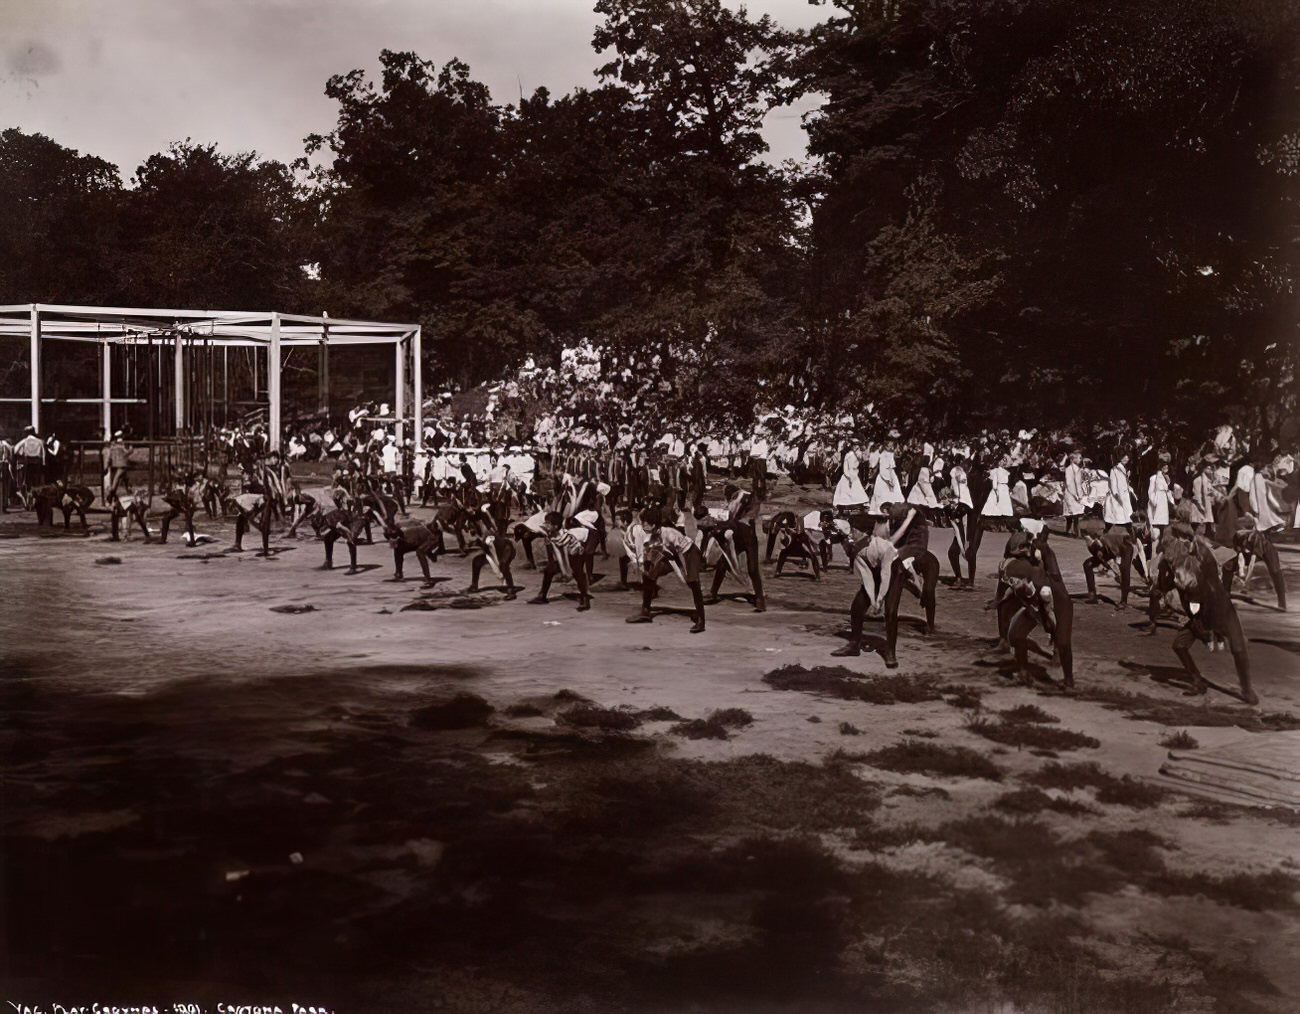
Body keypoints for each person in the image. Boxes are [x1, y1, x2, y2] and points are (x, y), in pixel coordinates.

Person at [626, 507, 707, 633]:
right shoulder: (644, 531)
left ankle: (701, 620)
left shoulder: (669, 533)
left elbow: (679, 556)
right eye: (642, 522)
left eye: (646, 523)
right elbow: (644, 552)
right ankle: (645, 611)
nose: (643, 525)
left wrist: (684, 575)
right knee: (649, 574)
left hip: (687, 553)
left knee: (693, 582)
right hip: (669, 554)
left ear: (654, 525)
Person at [1103, 454, 1134, 531]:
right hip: (1117, 497)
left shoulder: (1124, 469)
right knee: (1118, 517)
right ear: (1120, 458)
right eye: (1124, 457)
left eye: (1127, 457)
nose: (1127, 459)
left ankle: (1128, 535)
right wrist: (1117, 496)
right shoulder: (1115, 470)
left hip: (1123, 495)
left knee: (1124, 518)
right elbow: (1113, 484)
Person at [1062, 451, 1086, 537]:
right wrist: (1075, 494)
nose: (1080, 459)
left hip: (1077, 492)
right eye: (1079, 458)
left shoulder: (1077, 469)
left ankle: (1075, 531)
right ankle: (1070, 531)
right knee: (1071, 514)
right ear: (1073, 459)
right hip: (1071, 493)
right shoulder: (1069, 469)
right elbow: (1069, 483)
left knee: (1076, 515)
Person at [14, 425, 45, 491]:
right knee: (36, 481)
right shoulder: (40, 441)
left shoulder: (24, 441)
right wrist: (43, 463)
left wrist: (21, 453)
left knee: (28, 481)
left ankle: (29, 495)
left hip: (28, 462)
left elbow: (15, 450)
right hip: (37, 463)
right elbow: (43, 453)